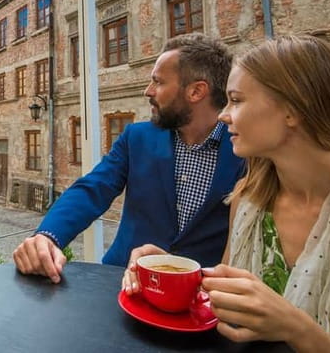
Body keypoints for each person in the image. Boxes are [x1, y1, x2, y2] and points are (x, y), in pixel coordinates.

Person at [127, 35, 330, 352]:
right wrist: (171, 269)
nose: (224, 115)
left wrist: (296, 329)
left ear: (292, 110)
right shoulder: (248, 199)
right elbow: (220, 297)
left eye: (236, 100)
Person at [13, 33, 245, 283]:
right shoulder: (137, 138)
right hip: (122, 281)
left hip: (199, 296)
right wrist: (48, 236)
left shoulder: (245, 150)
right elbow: (93, 188)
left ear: (196, 91)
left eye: (158, 82)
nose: (148, 91)